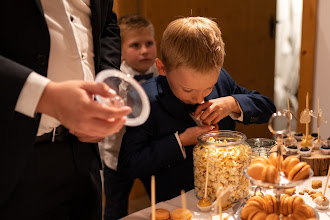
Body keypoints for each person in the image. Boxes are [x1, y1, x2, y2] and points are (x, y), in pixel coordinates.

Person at [117, 17, 276, 202]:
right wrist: (181, 141)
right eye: (188, 89)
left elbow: (268, 108)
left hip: (229, 194)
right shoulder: (145, 99)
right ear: (162, 68)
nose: (200, 97)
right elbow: (128, 165)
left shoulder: (222, 79)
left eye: (209, 87)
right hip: (176, 199)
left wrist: (232, 103)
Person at [0, 1, 131, 219]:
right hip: (11, 155)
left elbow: (107, 24)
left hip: (83, 152)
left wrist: (107, 85)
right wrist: (45, 96)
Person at [99, 14, 158, 220]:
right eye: (135, 45)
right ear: (121, 51)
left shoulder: (161, 73)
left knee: (158, 203)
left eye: (149, 43)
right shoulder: (114, 79)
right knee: (115, 208)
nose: (144, 50)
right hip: (116, 157)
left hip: (150, 151)